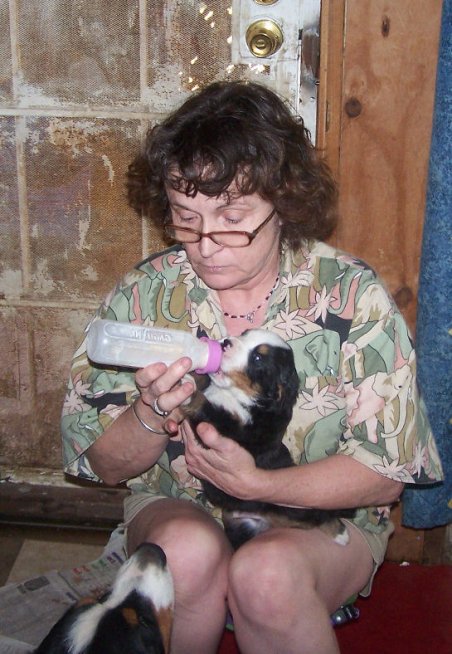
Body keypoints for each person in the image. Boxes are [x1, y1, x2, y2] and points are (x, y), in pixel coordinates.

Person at [61, 81, 443, 654]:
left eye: (232, 216)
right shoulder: (146, 294)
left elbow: (387, 472)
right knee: (185, 554)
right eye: (185, 218)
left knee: (266, 577)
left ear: (283, 204)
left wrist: (259, 484)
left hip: (317, 520)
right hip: (179, 505)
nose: (206, 244)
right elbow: (102, 464)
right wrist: (149, 413)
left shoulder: (349, 297)